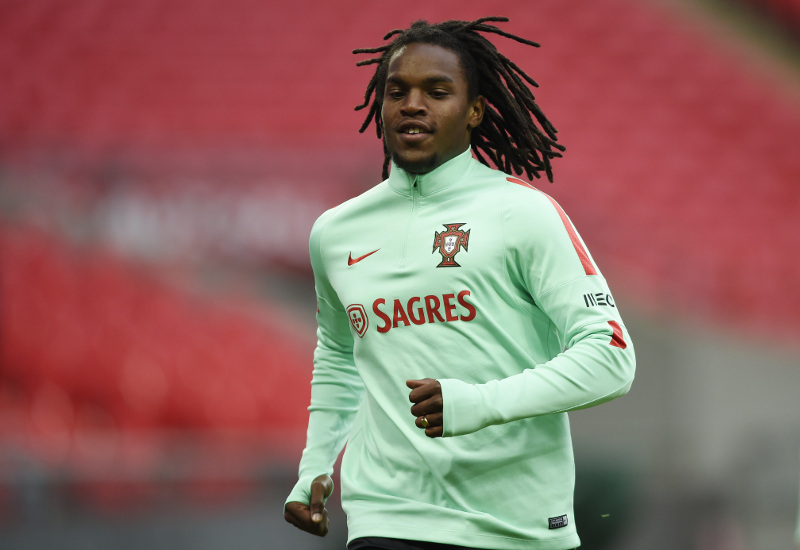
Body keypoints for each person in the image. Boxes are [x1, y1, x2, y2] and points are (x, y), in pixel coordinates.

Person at [284, 17, 636, 550]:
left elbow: (611, 358)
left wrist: (480, 403)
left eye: (437, 91)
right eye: (396, 91)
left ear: (474, 110)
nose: (412, 104)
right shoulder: (334, 233)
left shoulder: (524, 214)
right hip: (387, 518)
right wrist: (315, 464)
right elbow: (338, 355)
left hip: (513, 527)